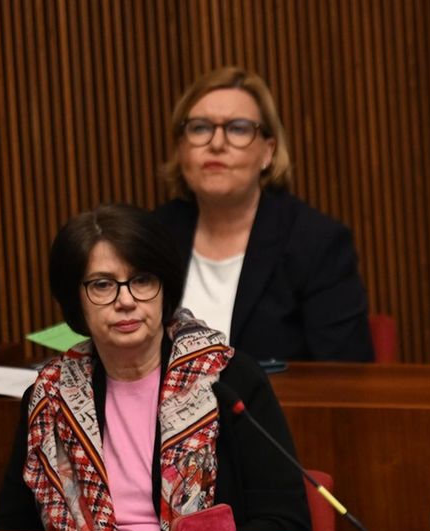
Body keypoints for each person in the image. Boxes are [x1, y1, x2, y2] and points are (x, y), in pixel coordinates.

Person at [0, 204, 310, 531]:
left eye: (142, 280)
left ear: (164, 288)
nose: (126, 300)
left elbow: (287, 524)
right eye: (102, 285)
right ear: (76, 300)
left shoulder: (228, 380)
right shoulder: (50, 398)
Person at [152, 66, 374, 362]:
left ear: (268, 152)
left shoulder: (317, 244)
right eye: (200, 128)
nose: (216, 144)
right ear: (181, 148)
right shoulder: (150, 237)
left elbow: (345, 377)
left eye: (238, 128)